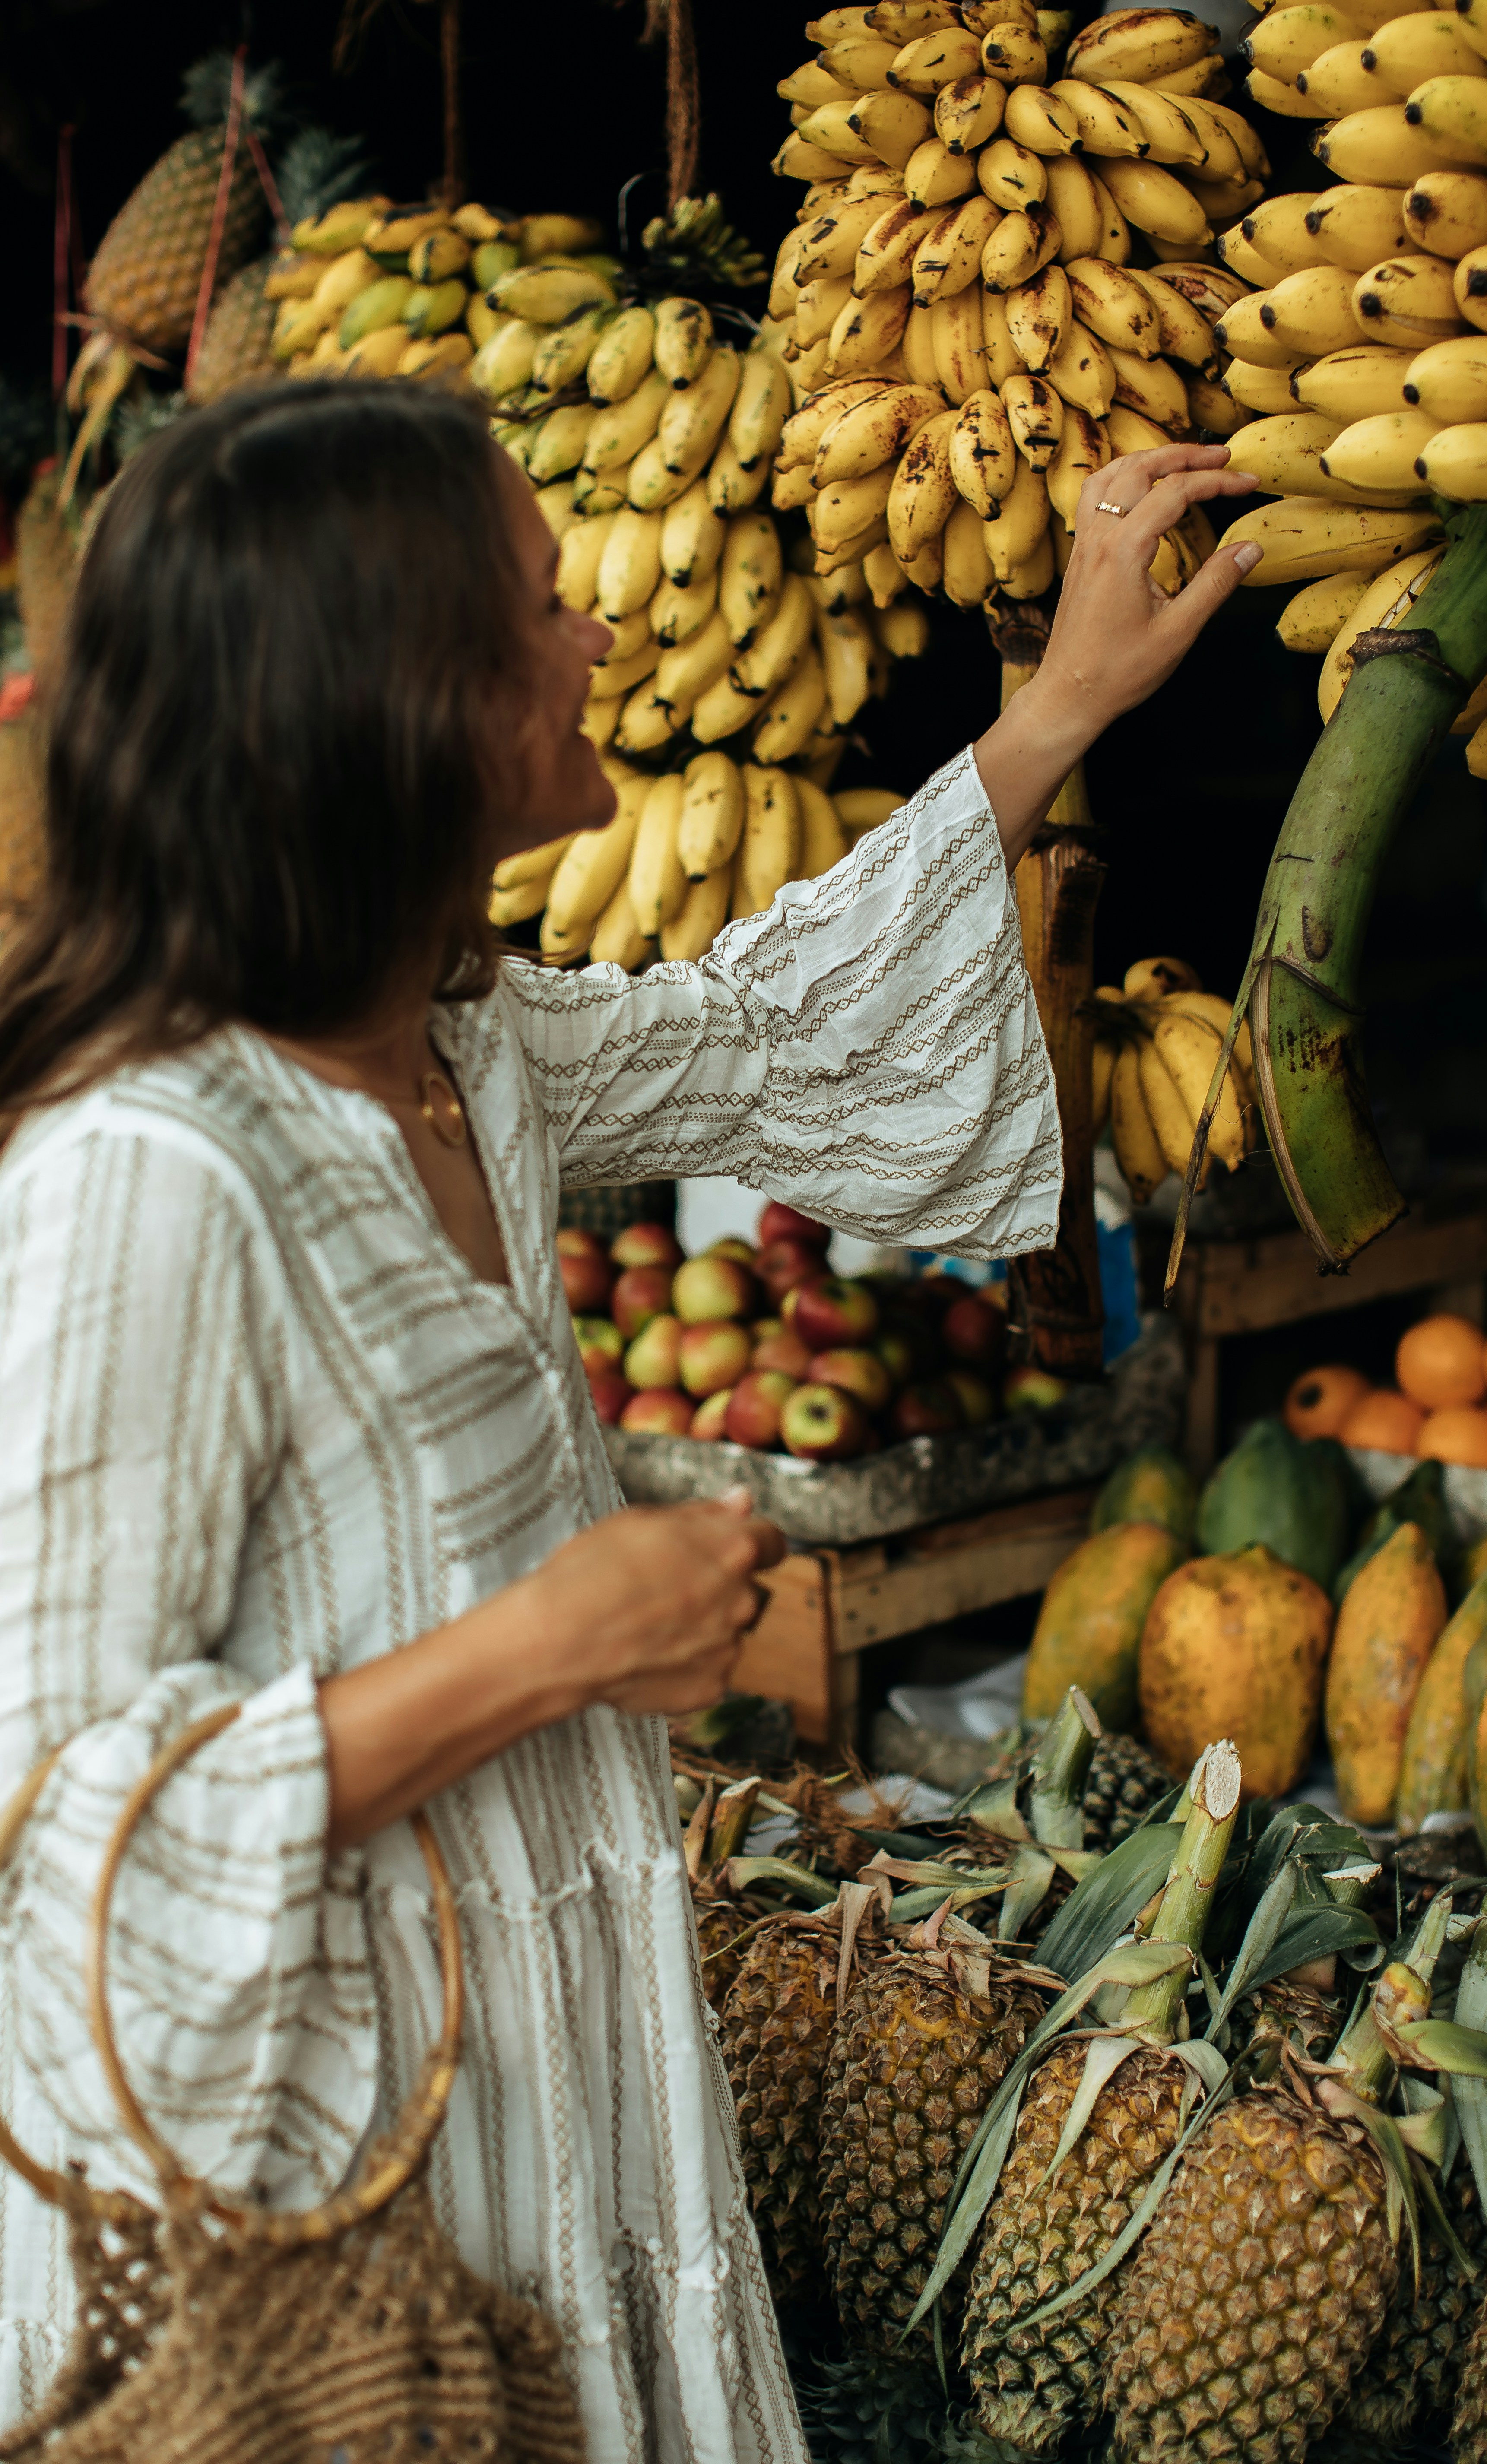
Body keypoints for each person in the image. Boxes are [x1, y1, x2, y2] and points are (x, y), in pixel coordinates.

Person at [0, 379, 1258, 2460]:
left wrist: (1054, 715)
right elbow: (49, 1822)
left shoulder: (461, 1046)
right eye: (542, 605)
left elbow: (764, 1021)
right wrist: (552, 1643)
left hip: (543, 2080)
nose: (600, 637)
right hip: (322, 2205)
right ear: (394, 709)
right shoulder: (148, 1171)